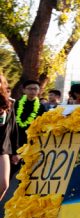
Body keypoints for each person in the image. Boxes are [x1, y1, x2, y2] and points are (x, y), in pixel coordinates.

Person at [12, 79, 47, 179]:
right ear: (24, 90)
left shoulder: (41, 107)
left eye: (35, 89)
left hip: (32, 142)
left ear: (39, 91)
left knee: (29, 172)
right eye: (30, 89)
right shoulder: (16, 105)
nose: (32, 91)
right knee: (12, 171)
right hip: (16, 140)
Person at [0, 72, 19, 201]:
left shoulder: (8, 103)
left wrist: (16, 151)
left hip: (3, 148)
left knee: (4, 184)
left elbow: (13, 128)